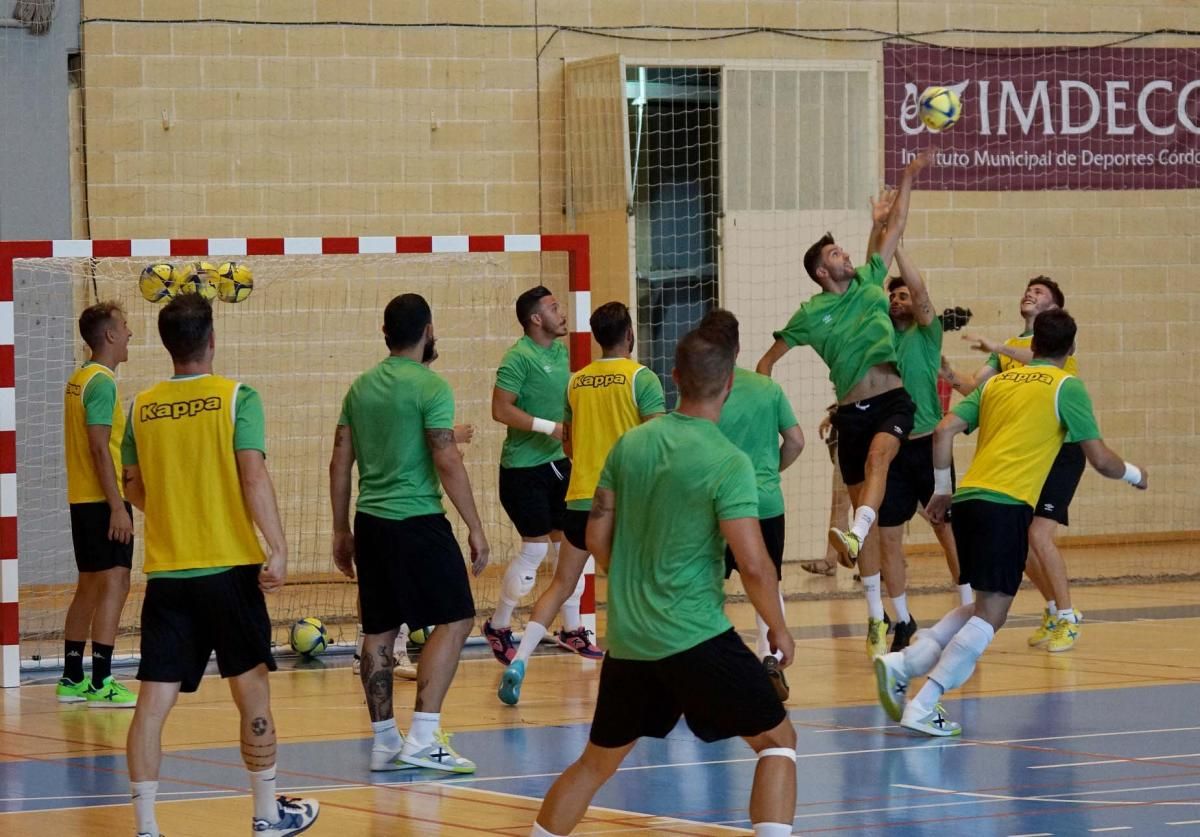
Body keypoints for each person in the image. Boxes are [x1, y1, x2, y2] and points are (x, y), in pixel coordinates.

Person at [530, 329, 797, 837]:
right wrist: (778, 627)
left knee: (595, 765)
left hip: (630, 639)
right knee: (779, 741)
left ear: (674, 378)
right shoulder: (728, 462)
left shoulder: (629, 445)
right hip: (694, 634)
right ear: (728, 387)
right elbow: (755, 564)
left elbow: (596, 532)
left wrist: (633, 579)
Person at [873, 309, 1147, 737]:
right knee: (992, 616)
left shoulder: (997, 382)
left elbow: (944, 431)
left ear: (1031, 345)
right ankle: (924, 703)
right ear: (1071, 349)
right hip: (1006, 505)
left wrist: (943, 490)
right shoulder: (1066, 386)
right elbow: (1100, 459)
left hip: (970, 501)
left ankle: (903, 663)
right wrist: (1133, 473)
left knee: (982, 605)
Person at [122, 295, 319, 837]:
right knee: (251, 692)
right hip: (231, 572)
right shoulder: (237, 397)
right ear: (212, 339)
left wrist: (176, 507)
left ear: (167, 344)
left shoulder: (139, 406)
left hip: (167, 575)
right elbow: (252, 476)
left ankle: (145, 828)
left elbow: (133, 487)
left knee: (152, 705)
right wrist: (276, 546)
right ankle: (265, 814)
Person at [330, 293, 489, 774]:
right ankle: (422, 734)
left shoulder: (359, 388)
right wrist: (475, 526)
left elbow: (340, 461)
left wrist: (340, 529)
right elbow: (446, 455)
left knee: (379, 630)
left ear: (385, 333)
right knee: (458, 618)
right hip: (417, 520)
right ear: (429, 329)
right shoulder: (431, 386)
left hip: (371, 523)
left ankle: (383, 742)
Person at [756, 152, 932, 576]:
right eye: (836, 253)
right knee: (860, 487)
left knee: (878, 462)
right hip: (851, 413)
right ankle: (875, 613)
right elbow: (766, 364)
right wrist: (768, 416)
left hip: (892, 399)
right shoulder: (809, 314)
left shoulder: (870, 282)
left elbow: (898, 226)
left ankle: (857, 529)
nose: (845, 254)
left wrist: (907, 178)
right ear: (822, 270)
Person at [498, 301, 664, 706]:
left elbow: (568, 443)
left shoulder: (577, 381)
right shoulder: (642, 378)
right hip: (624, 500)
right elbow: (658, 443)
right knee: (638, 586)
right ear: (629, 335)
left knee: (560, 584)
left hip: (579, 498)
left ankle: (518, 661)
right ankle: (646, 672)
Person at [943, 277, 1084, 652]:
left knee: (1038, 535)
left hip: (1059, 449)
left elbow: (1046, 366)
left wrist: (1000, 346)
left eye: (1039, 293)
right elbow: (977, 387)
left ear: (1054, 310)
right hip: (1022, 459)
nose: (1029, 293)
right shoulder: (1004, 350)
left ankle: (1069, 618)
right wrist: (948, 373)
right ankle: (1054, 609)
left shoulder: (1058, 346)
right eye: (1028, 289)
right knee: (1019, 539)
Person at [698, 308, 804, 697]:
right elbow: (796, 441)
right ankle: (769, 657)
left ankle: (709, 662)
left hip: (717, 503)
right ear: (738, 346)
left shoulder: (703, 393)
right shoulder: (767, 388)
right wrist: (770, 471)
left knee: (710, 584)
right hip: (765, 501)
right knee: (767, 580)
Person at [876, 249, 967, 656]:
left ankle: (968, 610)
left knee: (947, 530)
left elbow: (920, 290)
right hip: (892, 450)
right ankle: (901, 619)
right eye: (892, 297)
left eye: (904, 296)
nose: (898, 300)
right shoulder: (881, 338)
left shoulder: (927, 335)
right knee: (888, 538)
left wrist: (894, 244)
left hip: (930, 449)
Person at [484, 285, 579, 664]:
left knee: (569, 548)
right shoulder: (518, 359)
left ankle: (572, 630)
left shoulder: (560, 351)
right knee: (536, 549)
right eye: (555, 307)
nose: (562, 312)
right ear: (536, 319)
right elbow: (500, 410)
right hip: (523, 470)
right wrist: (550, 428)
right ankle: (499, 625)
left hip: (558, 464)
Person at [57, 301, 137, 708]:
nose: (129, 334)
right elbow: (98, 448)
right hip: (101, 500)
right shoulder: (103, 382)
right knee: (115, 582)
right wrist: (118, 507)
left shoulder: (79, 378)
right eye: (124, 327)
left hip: (81, 499)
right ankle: (101, 681)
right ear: (108, 335)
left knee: (89, 585)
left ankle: (72, 677)